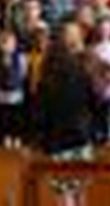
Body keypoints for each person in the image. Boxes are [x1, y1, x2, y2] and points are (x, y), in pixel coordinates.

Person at [36, 23, 97, 206]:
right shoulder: (81, 71)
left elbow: (41, 111)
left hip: (57, 139)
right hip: (81, 134)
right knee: (81, 189)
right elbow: (93, 101)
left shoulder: (45, 76)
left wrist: (41, 140)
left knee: (64, 192)